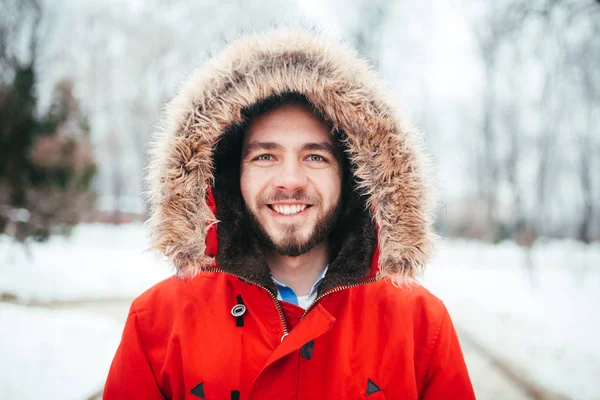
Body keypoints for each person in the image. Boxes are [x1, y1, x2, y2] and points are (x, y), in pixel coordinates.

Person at [104, 29, 475, 399]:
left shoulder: (420, 326)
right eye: (266, 156)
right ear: (232, 176)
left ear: (353, 177)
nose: (291, 181)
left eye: (315, 156)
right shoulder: (157, 322)